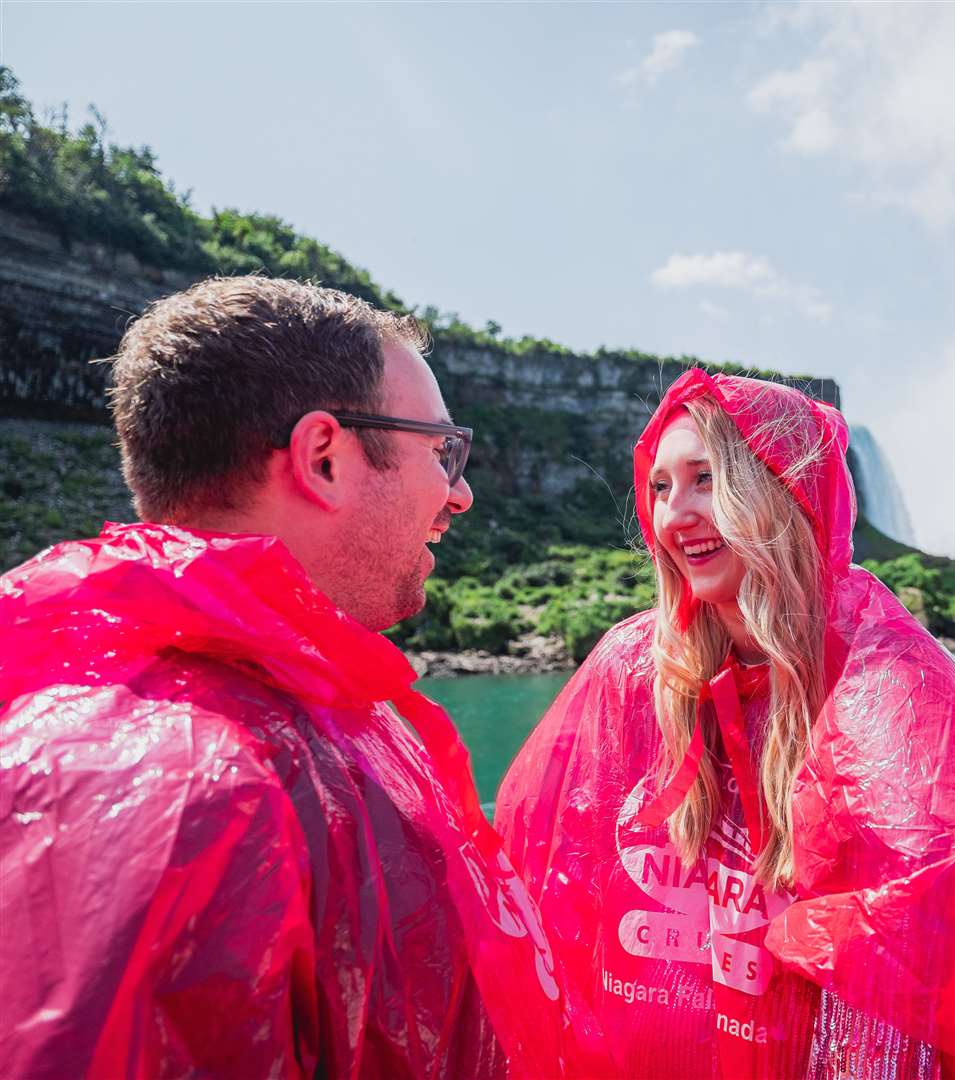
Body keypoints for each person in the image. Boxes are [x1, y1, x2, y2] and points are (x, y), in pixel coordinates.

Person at [0, 276, 589, 1078]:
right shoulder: (177, 788)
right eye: (443, 450)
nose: (462, 492)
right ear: (324, 457)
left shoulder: (303, 707)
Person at [495, 368, 955, 1078]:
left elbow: (942, 917)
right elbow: (534, 859)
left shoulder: (887, 685)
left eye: (706, 479)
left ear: (779, 492)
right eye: (660, 487)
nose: (673, 514)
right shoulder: (634, 667)